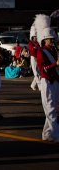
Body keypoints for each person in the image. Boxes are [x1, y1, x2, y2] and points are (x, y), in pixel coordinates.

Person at [34, 14, 59, 142]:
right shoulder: (41, 51)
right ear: (44, 39)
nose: (52, 40)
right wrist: (56, 64)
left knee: (53, 107)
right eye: (50, 39)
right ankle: (55, 134)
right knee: (49, 108)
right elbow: (43, 69)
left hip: (55, 81)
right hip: (47, 81)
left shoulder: (54, 50)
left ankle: (47, 133)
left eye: (52, 38)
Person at [29, 24, 41, 91]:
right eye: (34, 37)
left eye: (36, 37)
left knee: (39, 72)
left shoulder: (38, 43)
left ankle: (33, 85)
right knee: (35, 72)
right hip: (33, 58)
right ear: (32, 37)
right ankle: (40, 86)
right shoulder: (30, 43)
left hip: (38, 58)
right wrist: (36, 47)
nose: (36, 38)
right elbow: (32, 50)